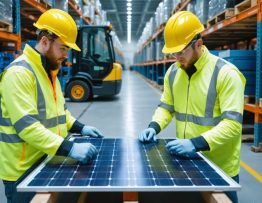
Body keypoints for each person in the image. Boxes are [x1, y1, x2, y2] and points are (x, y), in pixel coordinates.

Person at [138, 11, 245, 203]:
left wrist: (195, 143)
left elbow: (232, 125)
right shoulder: (173, 72)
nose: (176, 57)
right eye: (173, 52)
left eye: (180, 52)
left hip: (219, 168)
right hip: (186, 164)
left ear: (198, 44)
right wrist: (153, 126)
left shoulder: (226, 74)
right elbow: (166, 107)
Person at [0, 9, 103, 203]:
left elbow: (59, 113)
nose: (66, 55)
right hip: (23, 170)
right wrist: (69, 148)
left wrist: (81, 128)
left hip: (47, 159)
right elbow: (27, 127)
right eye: (63, 48)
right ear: (45, 41)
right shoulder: (19, 73)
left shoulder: (50, 71)